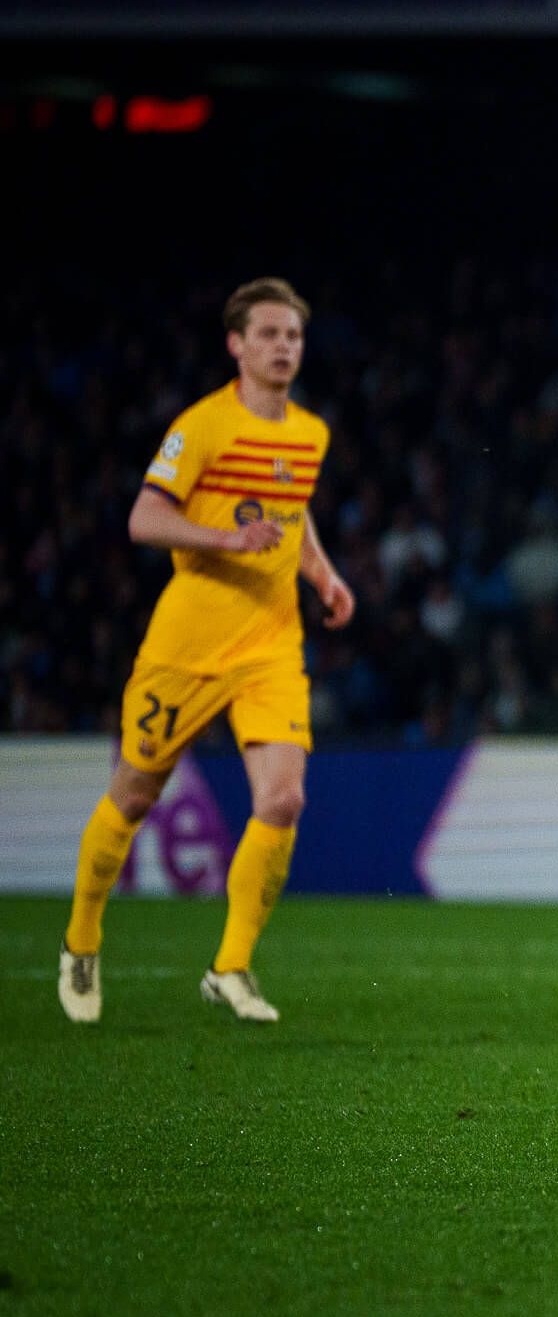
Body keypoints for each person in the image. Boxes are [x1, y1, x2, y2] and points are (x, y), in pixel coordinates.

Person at [60, 277, 356, 1026]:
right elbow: (144, 517)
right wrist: (225, 537)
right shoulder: (203, 427)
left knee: (284, 798)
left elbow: (293, 512)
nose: (283, 346)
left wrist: (321, 572)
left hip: (272, 642)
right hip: (189, 644)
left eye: (292, 335)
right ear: (237, 344)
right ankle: (82, 940)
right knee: (133, 795)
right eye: (269, 334)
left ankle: (230, 967)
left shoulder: (309, 433)